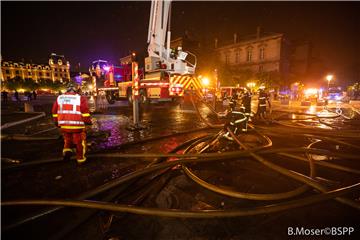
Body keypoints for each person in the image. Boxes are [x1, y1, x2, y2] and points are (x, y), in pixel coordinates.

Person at [52, 83, 92, 164]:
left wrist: (56, 122)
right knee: (79, 142)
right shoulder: (80, 98)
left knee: (67, 139)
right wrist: (88, 123)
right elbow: (85, 112)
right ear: (76, 89)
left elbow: (54, 111)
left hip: (64, 125)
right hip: (77, 126)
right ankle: (80, 159)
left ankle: (67, 151)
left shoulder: (59, 98)